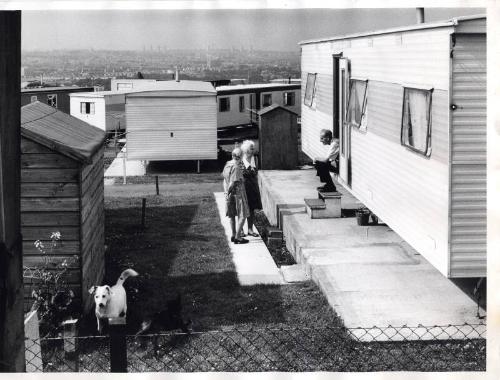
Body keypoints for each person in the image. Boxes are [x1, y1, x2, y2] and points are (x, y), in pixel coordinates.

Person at [222, 148, 250, 244]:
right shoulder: (236, 166)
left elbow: (225, 181)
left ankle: (233, 235)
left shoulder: (227, 164)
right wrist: (229, 192)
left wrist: (226, 193)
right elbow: (232, 182)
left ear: (232, 155)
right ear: (241, 156)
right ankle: (238, 237)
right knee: (243, 214)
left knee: (232, 214)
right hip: (237, 193)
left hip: (229, 194)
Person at [240, 140, 262, 237]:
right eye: (251, 149)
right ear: (245, 150)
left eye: (253, 149)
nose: (252, 150)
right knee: (242, 209)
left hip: (253, 186)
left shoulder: (255, 159)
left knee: (252, 208)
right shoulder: (240, 160)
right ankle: (240, 229)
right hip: (243, 187)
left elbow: (256, 171)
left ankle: (250, 229)